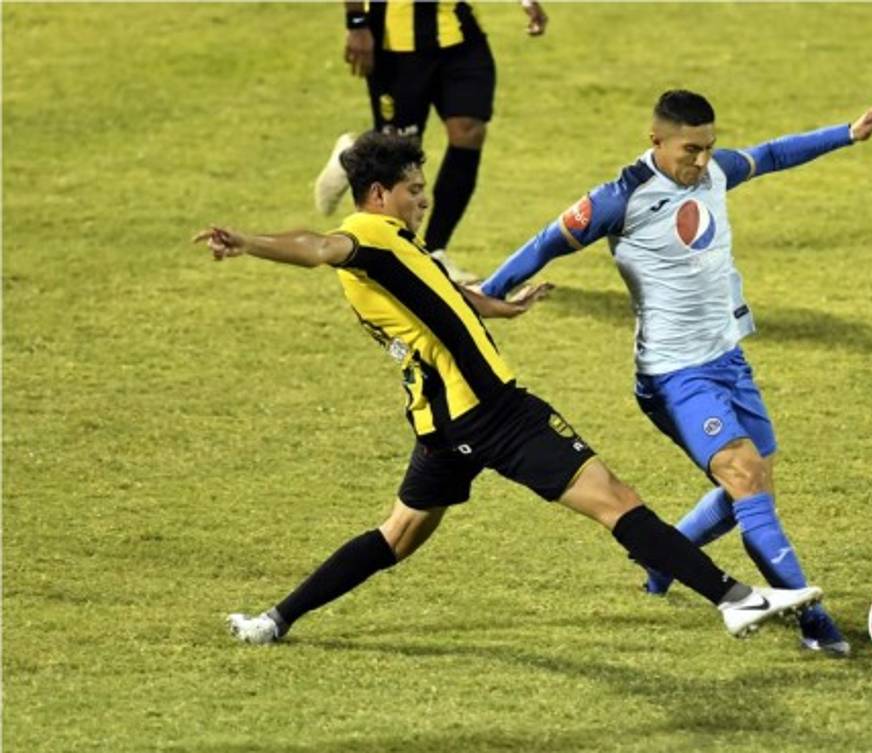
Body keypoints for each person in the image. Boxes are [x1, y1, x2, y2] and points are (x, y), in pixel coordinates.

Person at [194, 131, 823, 645]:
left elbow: (437, 298)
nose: (423, 201)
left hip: (440, 429)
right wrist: (248, 242)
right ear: (378, 193)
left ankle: (274, 621)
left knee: (398, 535)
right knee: (614, 499)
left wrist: (498, 307)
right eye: (414, 192)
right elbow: (314, 245)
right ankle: (734, 598)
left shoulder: (396, 247)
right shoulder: (367, 237)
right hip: (493, 412)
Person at [480, 90, 872, 657]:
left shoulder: (715, 173)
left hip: (728, 360)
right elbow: (546, 242)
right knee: (746, 478)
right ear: (657, 141)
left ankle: (663, 555)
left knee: (748, 487)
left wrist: (846, 133)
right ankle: (812, 619)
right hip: (674, 375)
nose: (701, 162)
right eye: (689, 150)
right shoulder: (620, 197)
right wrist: (485, 295)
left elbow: (772, 154)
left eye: (709, 148)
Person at [313, 0, 549, 284]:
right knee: (398, 154)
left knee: (469, 130)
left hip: (459, 33)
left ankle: (434, 251)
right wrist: (356, 23)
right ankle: (351, 158)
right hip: (395, 38)